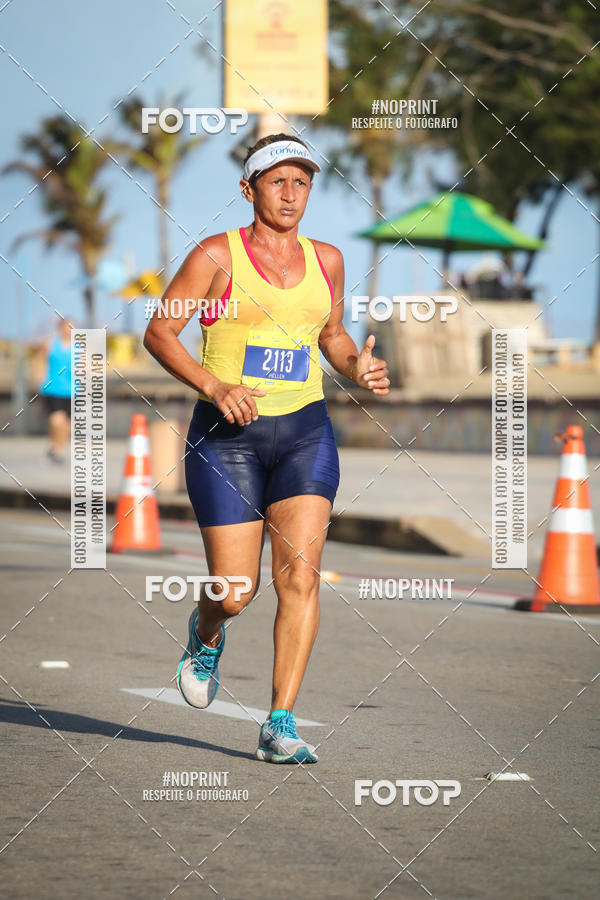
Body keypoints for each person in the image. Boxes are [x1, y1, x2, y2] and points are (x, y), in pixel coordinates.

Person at [143, 133, 390, 763]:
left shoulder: (328, 259)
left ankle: (280, 723)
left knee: (300, 579)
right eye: (277, 181)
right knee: (235, 591)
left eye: (301, 181)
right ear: (249, 188)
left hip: (305, 432)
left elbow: (332, 336)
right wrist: (213, 383)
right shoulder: (214, 256)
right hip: (226, 439)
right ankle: (206, 632)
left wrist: (355, 367)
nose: (290, 193)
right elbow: (160, 331)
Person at [37, 319, 73, 463]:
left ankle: (56, 449)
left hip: (72, 390)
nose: (69, 330)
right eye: (66, 327)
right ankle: (55, 449)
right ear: (60, 329)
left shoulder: (78, 347)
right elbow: (39, 359)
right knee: (56, 420)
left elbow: (86, 366)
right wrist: (39, 374)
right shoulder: (51, 344)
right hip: (52, 388)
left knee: (66, 425)